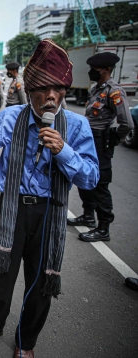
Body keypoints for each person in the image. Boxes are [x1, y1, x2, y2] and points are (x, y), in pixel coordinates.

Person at [0, 39, 99, 358]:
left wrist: (63, 151)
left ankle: (26, 341)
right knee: (1, 273)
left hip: (50, 214)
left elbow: (90, 178)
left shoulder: (77, 126)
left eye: (57, 89)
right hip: (12, 210)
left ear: (64, 90)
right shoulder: (10, 118)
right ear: (30, 89)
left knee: (40, 284)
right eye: (42, 90)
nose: (50, 97)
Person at [67, 52, 134, 242]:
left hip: (100, 139)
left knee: (100, 184)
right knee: (83, 176)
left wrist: (113, 139)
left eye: (94, 69)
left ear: (105, 69)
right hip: (87, 139)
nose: (91, 72)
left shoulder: (114, 91)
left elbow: (127, 124)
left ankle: (103, 228)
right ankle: (88, 216)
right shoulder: (96, 89)